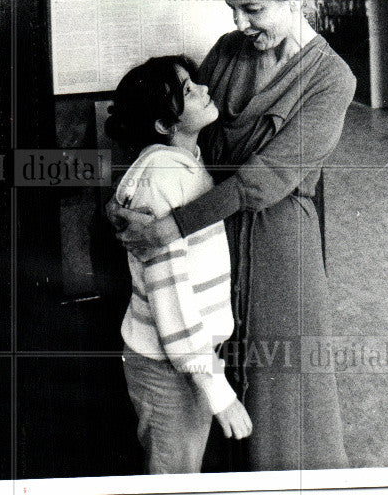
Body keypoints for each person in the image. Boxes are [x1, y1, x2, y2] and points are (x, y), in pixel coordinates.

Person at [107, 0, 356, 471]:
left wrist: (166, 226)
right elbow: (181, 133)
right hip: (207, 235)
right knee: (205, 381)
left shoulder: (332, 79)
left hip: (277, 246)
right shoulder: (226, 50)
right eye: (233, 9)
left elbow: (266, 179)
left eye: (254, 9)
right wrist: (132, 199)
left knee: (282, 392)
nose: (241, 23)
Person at [105, 55, 252, 475]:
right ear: (164, 126)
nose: (205, 90)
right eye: (189, 91)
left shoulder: (183, 163)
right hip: (169, 365)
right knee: (174, 477)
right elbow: (171, 304)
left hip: (183, 360)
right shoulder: (163, 178)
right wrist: (217, 391)